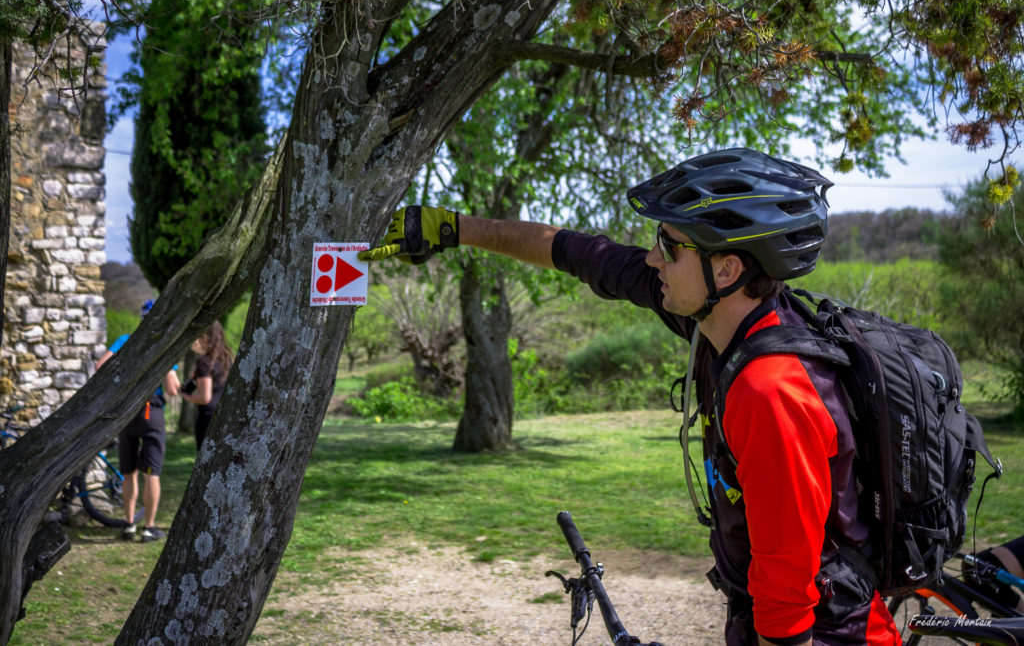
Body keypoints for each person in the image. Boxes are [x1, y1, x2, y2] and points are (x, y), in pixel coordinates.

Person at [359, 148, 901, 645]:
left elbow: (787, 606)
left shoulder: (770, 391)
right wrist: (455, 229)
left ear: (729, 268)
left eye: (669, 245)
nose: (651, 259)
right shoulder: (716, 321)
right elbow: (575, 252)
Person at [95, 299, 179, 543]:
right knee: (151, 474)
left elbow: (101, 366)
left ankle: (129, 524)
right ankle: (149, 528)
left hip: (127, 412)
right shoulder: (165, 346)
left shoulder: (125, 340)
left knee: (128, 471)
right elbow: (172, 389)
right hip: (151, 412)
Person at [180, 321, 233, 449]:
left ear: (205, 336)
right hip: (227, 416)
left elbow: (205, 398)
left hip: (208, 418)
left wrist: (187, 397)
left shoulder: (204, 363)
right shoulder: (226, 359)